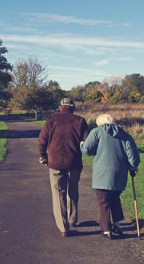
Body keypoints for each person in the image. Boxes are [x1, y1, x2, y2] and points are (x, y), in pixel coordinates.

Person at [81, 113, 140, 240]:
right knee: (115, 198)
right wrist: (133, 167)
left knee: (103, 202)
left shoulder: (97, 132)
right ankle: (117, 224)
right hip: (120, 174)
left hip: (101, 174)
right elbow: (132, 154)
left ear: (100, 123)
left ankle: (106, 229)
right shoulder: (124, 134)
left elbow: (86, 150)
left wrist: (81, 144)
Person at [38, 98, 89, 237]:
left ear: (60, 107)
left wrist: (43, 155)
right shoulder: (80, 121)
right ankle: (72, 219)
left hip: (55, 162)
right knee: (73, 191)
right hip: (74, 162)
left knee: (58, 194)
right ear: (73, 108)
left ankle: (63, 227)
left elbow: (42, 139)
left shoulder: (51, 120)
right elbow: (87, 142)